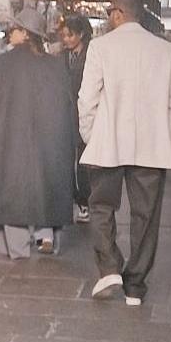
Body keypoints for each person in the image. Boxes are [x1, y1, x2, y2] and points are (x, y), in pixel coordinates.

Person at [78, 0, 171, 306]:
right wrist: (163, 133)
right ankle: (135, 286)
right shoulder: (165, 50)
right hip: (152, 147)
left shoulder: (100, 47)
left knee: (100, 206)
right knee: (146, 215)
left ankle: (109, 266)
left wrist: (91, 135)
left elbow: (87, 99)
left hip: (108, 141)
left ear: (117, 14)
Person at [0, 13, 76, 257]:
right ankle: (45, 235)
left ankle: (19, 247)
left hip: (11, 137)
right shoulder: (56, 64)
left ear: (25, 33)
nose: (9, 33)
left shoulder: (4, 64)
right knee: (47, 182)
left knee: (14, 187)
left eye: (13, 29)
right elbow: (69, 105)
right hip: (51, 137)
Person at [59, 14, 94, 222]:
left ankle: (84, 202)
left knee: (83, 162)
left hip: (85, 114)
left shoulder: (92, 55)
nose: (66, 40)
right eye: (64, 35)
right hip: (65, 113)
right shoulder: (61, 56)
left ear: (81, 34)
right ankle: (72, 198)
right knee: (65, 159)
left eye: (70, 35)